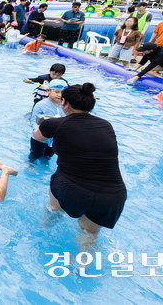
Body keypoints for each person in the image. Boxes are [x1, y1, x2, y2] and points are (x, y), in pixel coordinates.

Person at [33, 83, 127, 234]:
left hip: (70, 189)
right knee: (88, 235)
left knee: (53, 211)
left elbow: (37, 136)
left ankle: (43, 229)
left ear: (63, 102)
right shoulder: (106, 125)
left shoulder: (55, 123)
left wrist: (46, 123)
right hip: (112, 196)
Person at [29, 79, 66, 161]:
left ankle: (45, 163)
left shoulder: (65, 106)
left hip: (55, 138)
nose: (59, 95)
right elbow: (33, 121)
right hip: (39, 137)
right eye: (57, 92)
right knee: (35, 153)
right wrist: (39, 134)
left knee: (49, 154)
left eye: (62, 92)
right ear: (48, 90)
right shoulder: (41, 105)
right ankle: (32, 164)